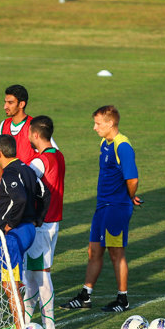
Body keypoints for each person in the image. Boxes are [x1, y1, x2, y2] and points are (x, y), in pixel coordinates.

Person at [61, 105, 141, 313]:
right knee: (93, 251)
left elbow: (132, 178)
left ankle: (122, 299)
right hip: (102, 206)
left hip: (116, 207)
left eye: (98, 124)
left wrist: (129, 197)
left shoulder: (122, 146)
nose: (94, 128)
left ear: (110, 123)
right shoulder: (104, 143)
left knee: (116, 253)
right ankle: (85, 296)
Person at [0, 135, 49, 329]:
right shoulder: (27, 169)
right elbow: (45, 193)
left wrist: (11, 223)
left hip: (14, 235)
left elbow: (18, 198)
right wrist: (38, 218)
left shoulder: (9, 174)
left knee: (10, 284)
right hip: (26, 231)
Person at [22, 116, 65, 329]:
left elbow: (26, 184)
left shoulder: (39, 161)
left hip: (40, 224)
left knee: (37, 274)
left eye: (29, 133)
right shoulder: (58, 155)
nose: (28, 137)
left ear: (36, 135)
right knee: (34, 273)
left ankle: (47, 325)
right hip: (53, 221)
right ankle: (28, 321)